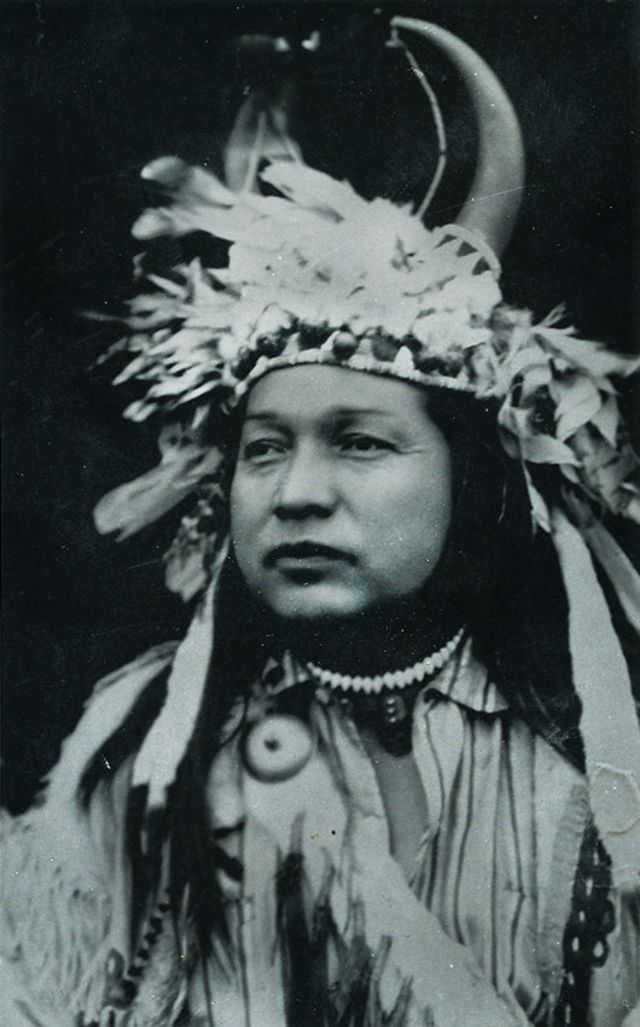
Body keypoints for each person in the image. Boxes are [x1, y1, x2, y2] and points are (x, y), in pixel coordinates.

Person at [2, 15, 639, 1027]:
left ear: (468, 481)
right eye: (264, 447)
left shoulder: (591, 751)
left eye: (360, 442)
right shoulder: (140, 750)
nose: (296, 492)